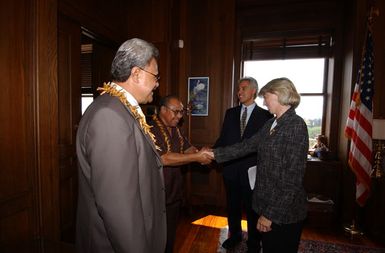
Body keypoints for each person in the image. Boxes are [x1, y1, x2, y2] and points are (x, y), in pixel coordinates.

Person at [76, 38, 166, 253]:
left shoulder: (119, 108)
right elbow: (119, 208)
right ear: (136, 73)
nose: (157, 83)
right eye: (155, 76)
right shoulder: (110, 116)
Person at [212, 77, 309, 253]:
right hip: (267, 204)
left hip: (284, 213)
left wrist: (269, 214)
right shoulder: (271, 123)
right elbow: (247, 146)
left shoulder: (295, 125)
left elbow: (291, 179)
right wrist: (213, 154)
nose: (264, 101)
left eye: (266, 96)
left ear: (279, 95)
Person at [214, 77, 272, 252]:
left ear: (254, 91)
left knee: (252, 209)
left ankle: (254, 242)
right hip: (230, 169)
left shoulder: (265, 115)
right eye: (238, 89)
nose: (239, 92)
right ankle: (235, 236)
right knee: (232, 206)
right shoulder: (230, 113)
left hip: (252, 172)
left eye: (243, 88)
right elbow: (223, 139)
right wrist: (211, 153)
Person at [148, 95, 212, 253]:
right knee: (154, 236)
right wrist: (197, 157)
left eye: (181, 112)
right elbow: (164, 159)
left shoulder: (176, 129)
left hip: (174, 192)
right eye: (175, 112)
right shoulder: (149, 128)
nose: (179, 116)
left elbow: (188, 148)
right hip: (154, 194)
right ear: (162, 110)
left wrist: (201, 154)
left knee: (170, 235)